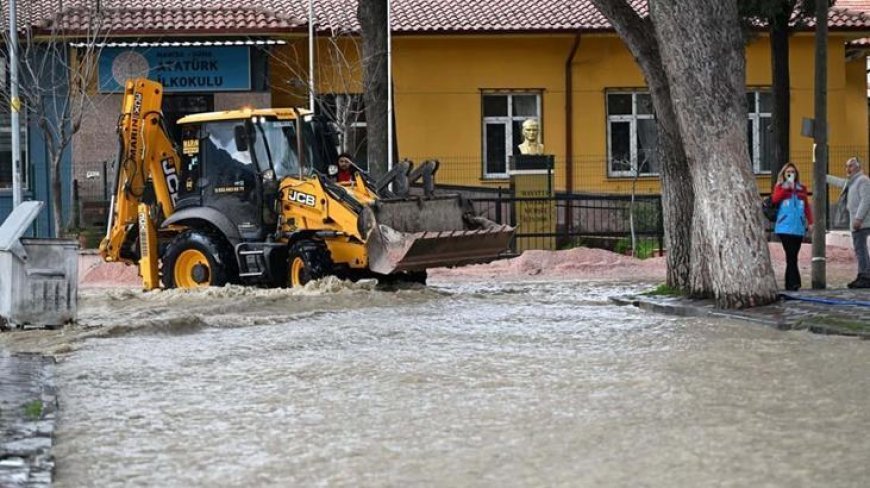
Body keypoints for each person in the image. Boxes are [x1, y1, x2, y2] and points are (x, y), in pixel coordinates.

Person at [827, 157, 870, 288]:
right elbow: (840, 182)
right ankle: (863, 275)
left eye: (850, 166)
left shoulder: (862, 180)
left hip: (861, 223)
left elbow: (866, 200)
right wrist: (824, 176)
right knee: (860, 249)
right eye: (846, 166)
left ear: (858, 167)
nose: (847, 169)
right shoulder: (852, 182)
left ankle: (865, 277)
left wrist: (858, 218)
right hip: (857, 222)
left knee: (861, 250)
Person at [772, 163, 813, 291]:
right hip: (784, 227)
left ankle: (792, 282)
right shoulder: (780, 187)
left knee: (794, 255)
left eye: (793, 172)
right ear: (784, 174)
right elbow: (775, 199)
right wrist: (786, 188)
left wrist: (810, 222)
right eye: (788, 172)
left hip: (798, 227)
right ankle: (793, 283)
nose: (791, 174)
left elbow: (806, 206)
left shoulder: (801, 188)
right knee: (790, 255)